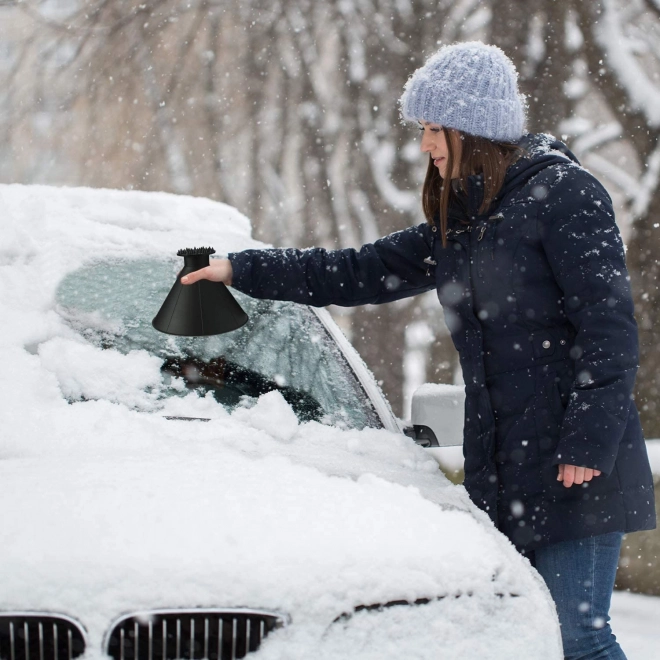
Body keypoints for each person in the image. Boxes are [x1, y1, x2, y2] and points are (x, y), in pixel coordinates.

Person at [181, 42, 656, 659]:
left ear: (473, 128)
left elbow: (609, 329)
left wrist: (586, 445)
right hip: (506, 467)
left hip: (576, 465)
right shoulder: (461, 220)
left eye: (434, 128)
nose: (427, 144)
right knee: (525, 641)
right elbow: (352, 271)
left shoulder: (566, 195)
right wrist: (237, 268)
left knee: (577, 637)